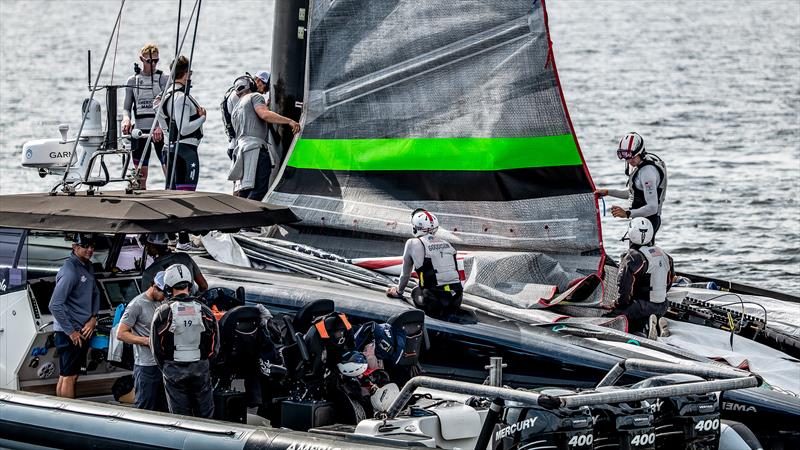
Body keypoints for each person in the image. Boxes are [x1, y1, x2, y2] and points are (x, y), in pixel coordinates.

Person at [150, 264, 219, 418]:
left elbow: (156, 347)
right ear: (190, 285)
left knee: (180, 418)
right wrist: (204, 364)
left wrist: (167, 367)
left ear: (168, 287)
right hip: (200, 368)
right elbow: (215, 346)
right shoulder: (205, 311)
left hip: (173, 369)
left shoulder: (163, 312)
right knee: (206, 417)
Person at [229, 70, 300, 201]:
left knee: (245, 192)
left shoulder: (236, 108)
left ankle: (242, 219)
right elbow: (264, 115)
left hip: (241, 152)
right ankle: (251, 218)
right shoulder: (255, 97)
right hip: (256, 151)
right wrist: (289, 121)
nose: (265, 91)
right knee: (259, 191)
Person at [48, 233, 101, 398]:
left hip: (83, 328)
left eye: (92, 246)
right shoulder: (70, 271)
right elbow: (55, 304)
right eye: (86, 246)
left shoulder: (87, 266)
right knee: (69, 376)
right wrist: (71, 332)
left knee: (68, 375)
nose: (90, 250)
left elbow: (95, 293)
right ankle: (66, 417)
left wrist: (93, 318)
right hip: (71, 333)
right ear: (75, 247)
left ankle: (60, 412)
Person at [605, 217, 674, 339]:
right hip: (663, 305)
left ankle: (642, 331)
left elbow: (624, 289)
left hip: (641, 306)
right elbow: (668, 284)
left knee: (609, 318)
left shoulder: (633, 257)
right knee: (638, 311)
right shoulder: (665, 255)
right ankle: (655, 324)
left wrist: (616, 304)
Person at [386, 209, 463, 318]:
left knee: (415, 291)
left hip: (434, 303)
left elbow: (405, 274)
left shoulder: (412, 243)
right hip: (456, 299)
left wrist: (398, 292)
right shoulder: (447, 244)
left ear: (415, 227)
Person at [595, 132, 667, 239]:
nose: (629, 161)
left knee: (637, 253)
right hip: (640, 220)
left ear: (641, 152)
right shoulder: (640, 165)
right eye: (627, 158)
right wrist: (608, 192)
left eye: (632, 157)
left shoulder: (647, 172)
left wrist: (627, 213)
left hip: (648, 222)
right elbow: (633, 193)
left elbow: (652, 208)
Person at [117, 271, 168, 411]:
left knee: (164, 407)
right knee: (145, 407)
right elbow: (121, 334)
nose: (165, 296)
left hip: (163, 364)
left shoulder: (164, 302)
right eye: (163, 292)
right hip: (146, 366)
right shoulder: (137, 304)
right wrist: (146, 341)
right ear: (154, 286)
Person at [122, 43, 168, 189]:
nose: (153, 64)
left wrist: (160, 126)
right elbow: (126, 108)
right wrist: (126, 119)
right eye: (149, 61)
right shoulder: (132, 81)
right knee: (141, 175)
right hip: (141, 131)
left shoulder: (163, 79)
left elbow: (169, 108)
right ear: (141, 60)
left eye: (156, 61)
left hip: (159, 130)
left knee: (169, 170)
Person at [157, 55, 206, 191]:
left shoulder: (164, 96)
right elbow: (184, 129)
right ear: (185, 74)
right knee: (186, 195)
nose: (190, 76)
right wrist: (202, 118)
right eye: (190, 73)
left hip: (170, 150)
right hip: (185, 152)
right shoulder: (180, 98)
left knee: (172, 195)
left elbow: (163, 121)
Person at [141, 233, 207, 291]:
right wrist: (195, 297)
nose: (146, 248)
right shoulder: (184, 257)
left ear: (152, 247)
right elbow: (204, 286)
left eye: (147, 246)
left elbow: (147, 299)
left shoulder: (148, 273)